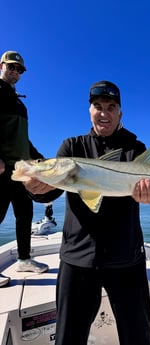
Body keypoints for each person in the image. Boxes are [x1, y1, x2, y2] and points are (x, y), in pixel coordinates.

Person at [24, 80, 150, 345]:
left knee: (138, 336)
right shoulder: (71, 148)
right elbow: (51, 191)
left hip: (127, 258)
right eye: (98, 106)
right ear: (89, 111)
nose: (104, 113)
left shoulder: (135, 149)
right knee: (68, 337)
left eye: (111, 107)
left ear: (120, 113)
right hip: (78, 259)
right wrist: (35, 189)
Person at [0, 51, 49, 287]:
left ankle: (24, 259)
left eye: (19, 69)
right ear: (2, 66)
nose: (15, 72)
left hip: (20, 170)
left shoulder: (19, 101)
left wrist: (39, 158)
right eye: (12, 67)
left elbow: (22, 139)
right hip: (1, 169)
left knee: (25, 215)